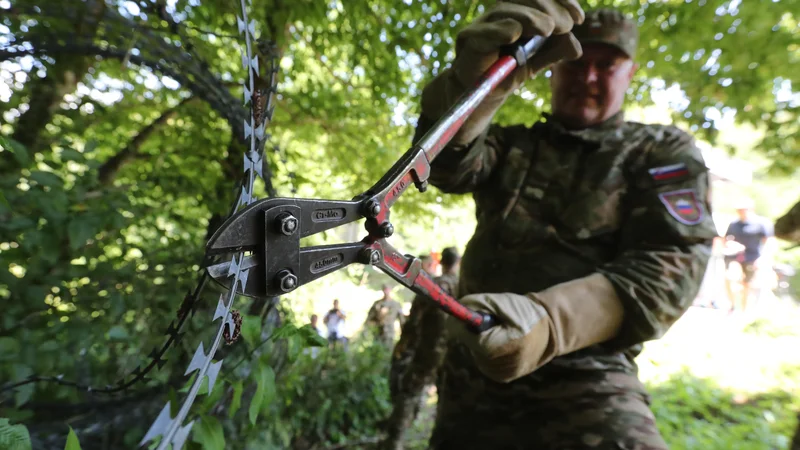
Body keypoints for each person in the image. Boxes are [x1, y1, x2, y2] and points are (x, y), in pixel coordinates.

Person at [414, 3, 718, 449]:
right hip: (473, 375)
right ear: (553, 70)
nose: (587, 77)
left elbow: (673, 265)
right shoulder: (514, 144)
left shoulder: (658, 151)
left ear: (630, 74)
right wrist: (472, 87)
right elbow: (445, 167)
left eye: (606, 64)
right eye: (575, 61)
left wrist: (551, 323)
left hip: (586, 376)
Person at [382, 247, 461, 450]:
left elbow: (413, 321)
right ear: (458, 263)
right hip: (453, 353)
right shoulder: (465, 287)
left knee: (409, 393)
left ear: (442, 263)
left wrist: (404, 344)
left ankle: (395, 442)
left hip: (428, 351)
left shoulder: (431, 285)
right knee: (448, 400)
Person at [722, 197, 776, 312]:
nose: (741, 212)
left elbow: (769, 242)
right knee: (728, 278)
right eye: (739, 209)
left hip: (753, 258)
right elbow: (726, 239)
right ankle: (733, 306)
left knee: (747, 284)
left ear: (751, 209)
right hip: (734, 257)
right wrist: (731, 244)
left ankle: (744, 310)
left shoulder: (762, 223)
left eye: (743, 209)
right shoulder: (734, 224)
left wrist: (764, 258)